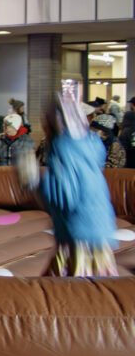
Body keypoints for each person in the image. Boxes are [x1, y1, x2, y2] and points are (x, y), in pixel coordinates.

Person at [37, 95, 118, 277]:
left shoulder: (62, 149)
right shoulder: (90, 144)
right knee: (99, 283)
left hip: (77, 232)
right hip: (100, 227)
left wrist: (34, 181)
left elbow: (64, 195)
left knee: (67, 290)